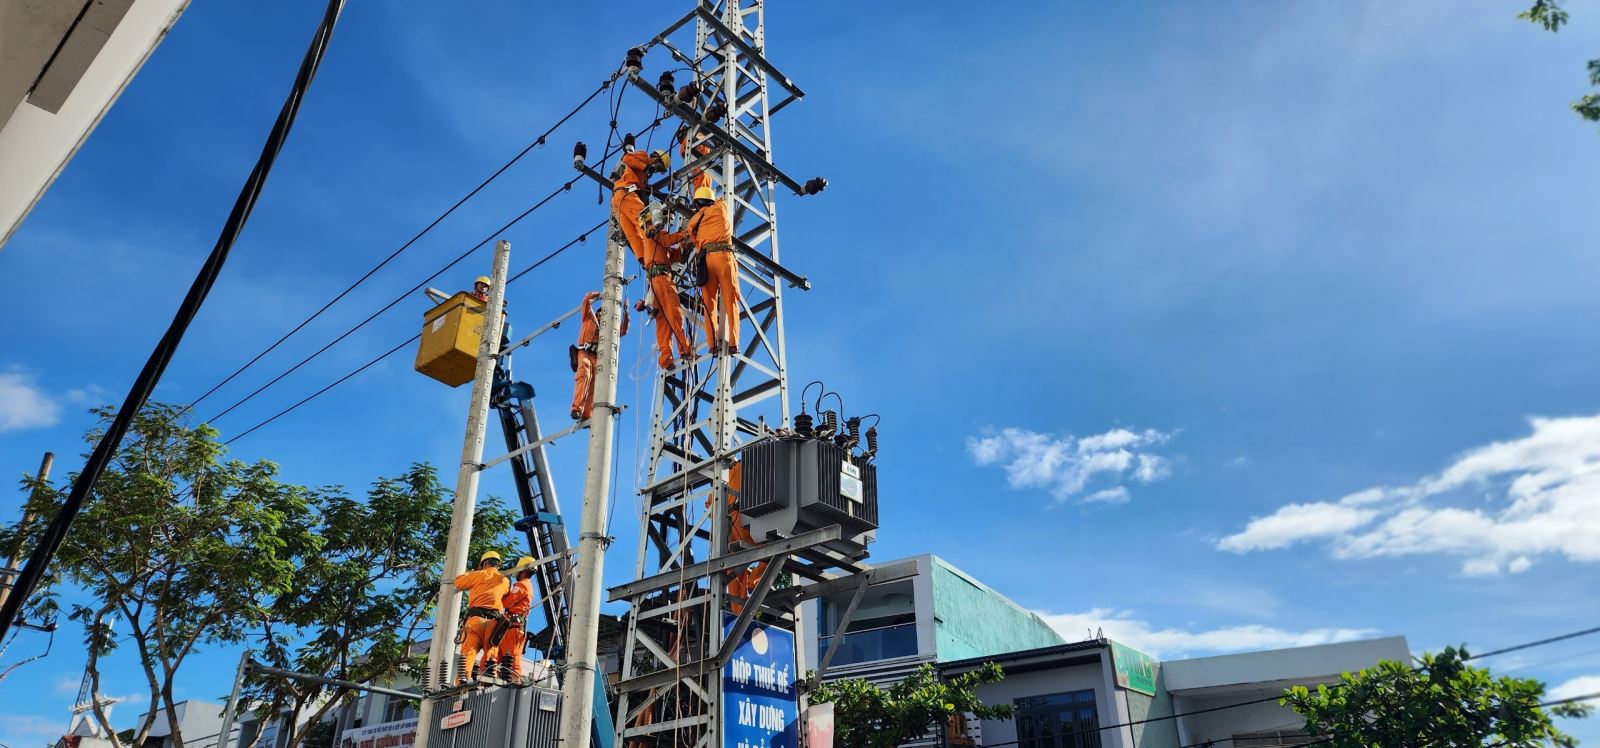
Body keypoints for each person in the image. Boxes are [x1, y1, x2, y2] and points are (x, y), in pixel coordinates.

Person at [656, 186, 739, 355]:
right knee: (731, 301)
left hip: (706, 260)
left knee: (709, 306)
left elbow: (694, 240)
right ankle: (734, 343)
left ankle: (712, 345)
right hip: (724, 257)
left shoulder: (694, 220)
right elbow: (722, 199)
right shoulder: (721, 206)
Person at [638, 203, 692, 368]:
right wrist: (687, 232)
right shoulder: (653, 234)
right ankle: (685, 351)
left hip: (656, 283)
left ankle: (666, 359)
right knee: (674, 315)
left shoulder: (656, 241)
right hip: (662, 280)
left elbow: (677, 256)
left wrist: (686, 246)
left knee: (663, 323)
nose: (667, 222)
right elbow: (669, 239)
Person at [570, 290, 629, 421]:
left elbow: (622, 331)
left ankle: (586, 414)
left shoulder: (606, 330)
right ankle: (576, 408)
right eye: (601, 312)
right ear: (597, 313)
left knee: (595, 383)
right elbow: (586, 301)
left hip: (596, 356)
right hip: (584, 352)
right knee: (584, 374)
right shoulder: (589, 318)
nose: (603, 315)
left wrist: (626, 312)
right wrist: (601, 294)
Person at [611, 144, 672, 267]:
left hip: (618, 199)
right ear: (656, 157)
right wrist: (645, 167)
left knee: (633, 233)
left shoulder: (645, 178)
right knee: (645, 221)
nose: (657, 170)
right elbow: (626, 158)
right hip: (626, 194)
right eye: (659, 167)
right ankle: (657, 245)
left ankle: (644, 259)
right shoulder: (643, 156)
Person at [453, 550, 509, 682]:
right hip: (494, 624)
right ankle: (487, 683)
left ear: (484, 563)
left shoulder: (478, 575)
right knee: (490, 656)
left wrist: (470, 573)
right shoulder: (504, 581)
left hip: (475, 621)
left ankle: (462, 682)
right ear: (498, 565)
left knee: (468, 653)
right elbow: (506, 593)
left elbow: (459, 582)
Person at [490, 556, 537, 681]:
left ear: (524, 570)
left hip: (513, 628)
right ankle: (492, 680)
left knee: (512, 659)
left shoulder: (522, 585)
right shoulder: (525, 585)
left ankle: (514, 684)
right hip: (508, 626)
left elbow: (506, 603)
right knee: (498, 657)